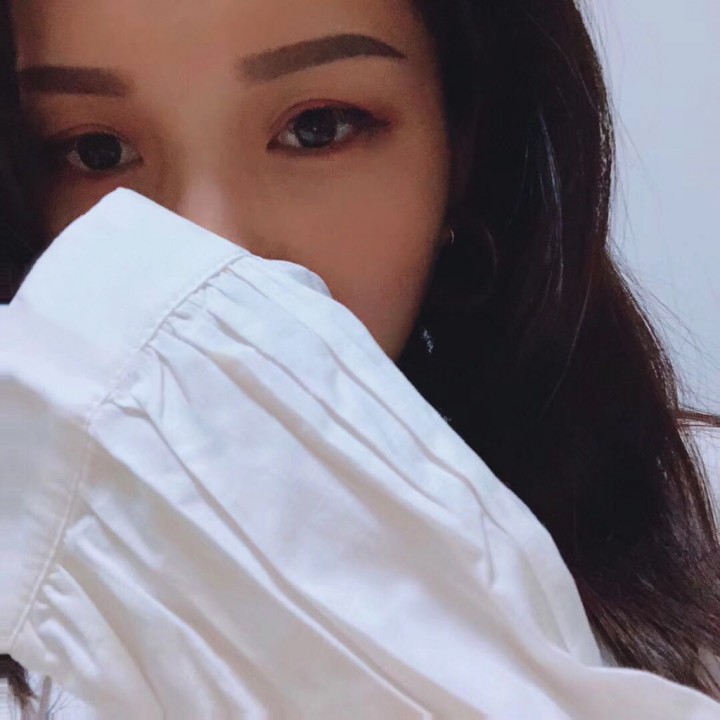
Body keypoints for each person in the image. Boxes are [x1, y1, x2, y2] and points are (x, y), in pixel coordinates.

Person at [0, 0, 719, 715]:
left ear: (463, 152)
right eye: (97, 152)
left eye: (317, 129)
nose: (212, 248)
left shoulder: (698, 536)